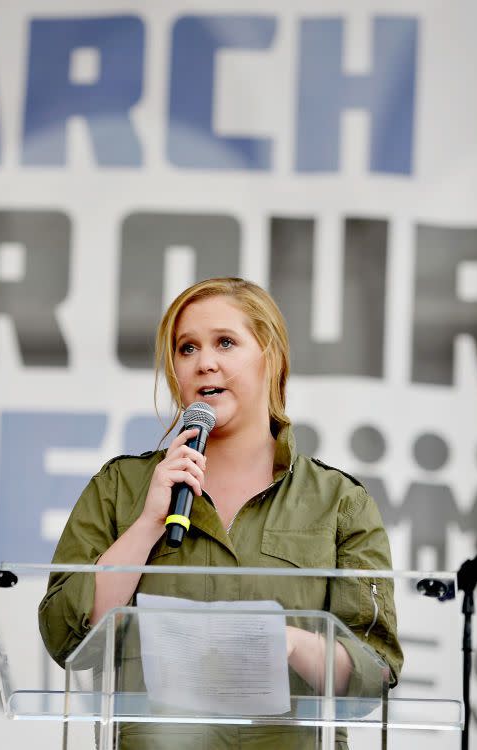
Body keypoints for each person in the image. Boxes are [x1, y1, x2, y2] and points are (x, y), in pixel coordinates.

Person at [39, 278, 402, 749]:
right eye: (187, 348)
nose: (204, 362)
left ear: (269, 355)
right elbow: (67, 640)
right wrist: (148, 522)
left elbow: (374, 669)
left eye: (225, 343)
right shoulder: (120, 488)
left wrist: (287, 642)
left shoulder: (338, 502)